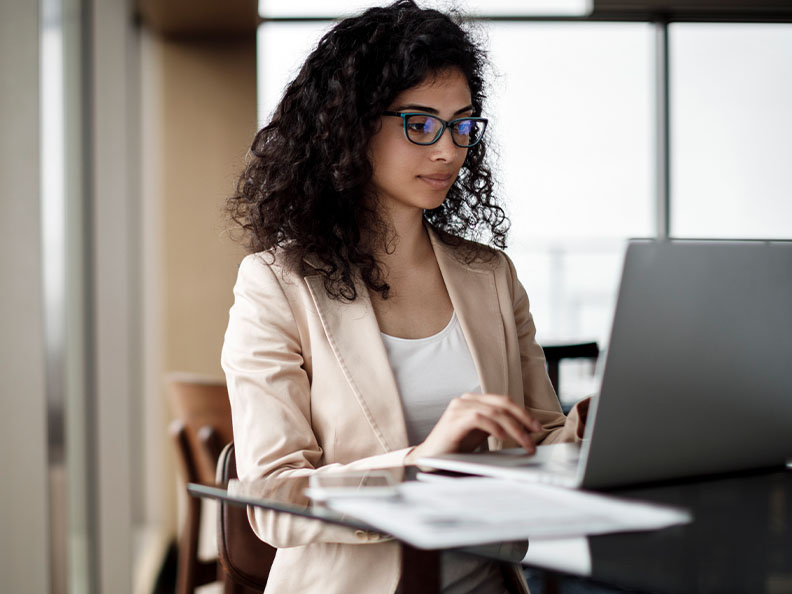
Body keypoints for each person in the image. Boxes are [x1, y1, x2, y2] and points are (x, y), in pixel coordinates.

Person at [222, 2, 588, 593]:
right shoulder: (276, 283)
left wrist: (590, 431)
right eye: (421, 124)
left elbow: (539, 442)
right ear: (352, 126)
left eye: (463, 125)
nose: (448, 150)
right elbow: (273, 500)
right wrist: (422, 462)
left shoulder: (491, 275)